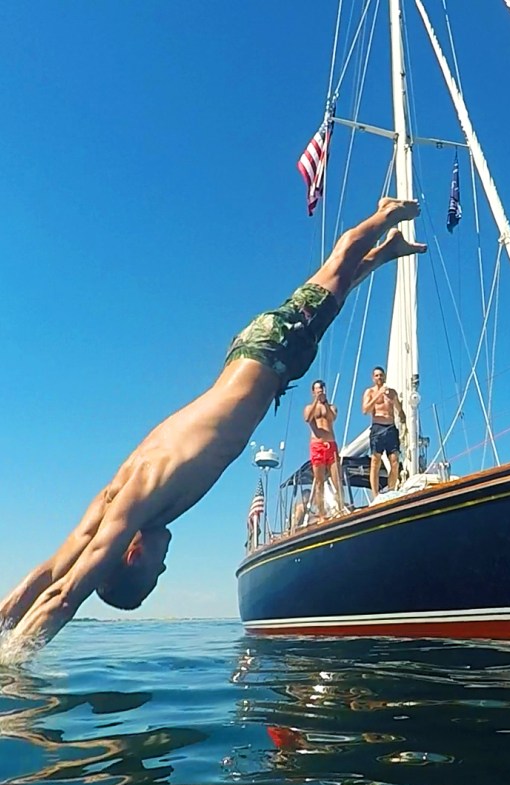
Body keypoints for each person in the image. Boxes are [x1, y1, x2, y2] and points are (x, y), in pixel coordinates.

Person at [0, 197, 427, 649]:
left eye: (153, 575)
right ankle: (386, 250)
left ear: (133, 552)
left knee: (335, 267)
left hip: (269, 355)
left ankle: (385, 214)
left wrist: (12, 669)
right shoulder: (114, 496)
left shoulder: (137, 504)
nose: (164, 567)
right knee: (334, 293)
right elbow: (50, 570)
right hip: (258, 358)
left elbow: (64, 596)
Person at [362, 366, 406, 497]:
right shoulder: (369, 392)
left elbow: (399, 409)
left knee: (395, 460)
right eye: (376, 375)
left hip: (391, 428)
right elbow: (365, 409)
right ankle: (375, 494)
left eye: (381, 375)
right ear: (373, 378)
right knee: (376, 461)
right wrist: (378, 394)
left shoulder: (392, 393)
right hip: (377, 428)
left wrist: (403, 417)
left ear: (385, 376)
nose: (379, 377)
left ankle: (392, 489)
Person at [303, 379, 343, 518]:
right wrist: (316, 401)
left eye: (322, 389)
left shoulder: (331, 407)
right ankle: (321, 513)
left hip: (331, 444)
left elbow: (332, 418)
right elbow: (308, 418)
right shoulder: (309, 408)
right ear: (313, 391)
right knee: (319, 481)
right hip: (317, 445)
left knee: (337, 478)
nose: (320, 391)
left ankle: (340, 507)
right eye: (317, 389)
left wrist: (324, 402)